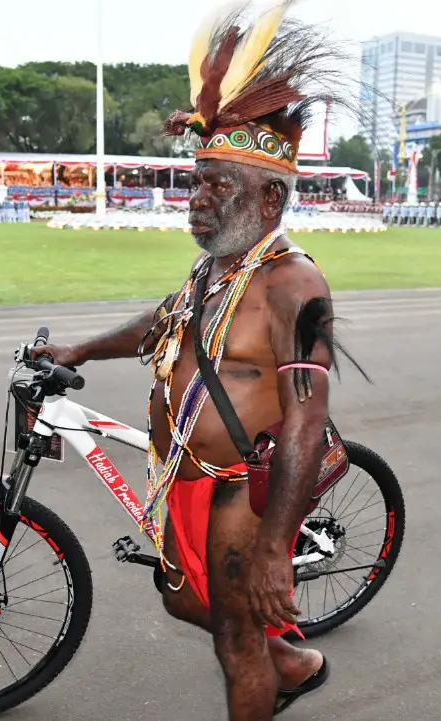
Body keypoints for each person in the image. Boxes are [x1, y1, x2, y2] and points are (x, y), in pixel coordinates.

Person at [32, 5, 354, 717]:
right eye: (198, 181)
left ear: (270, 197)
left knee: (235, 643)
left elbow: (307, 420)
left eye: (217, 186)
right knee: (183, 600)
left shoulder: (292, 285)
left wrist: (275, 546)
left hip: (244, 485)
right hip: (184, 471)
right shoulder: (217, 266)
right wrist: (82, 347)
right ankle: (294, 660)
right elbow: (166, 321)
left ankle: (272, 664)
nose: (196, 200)